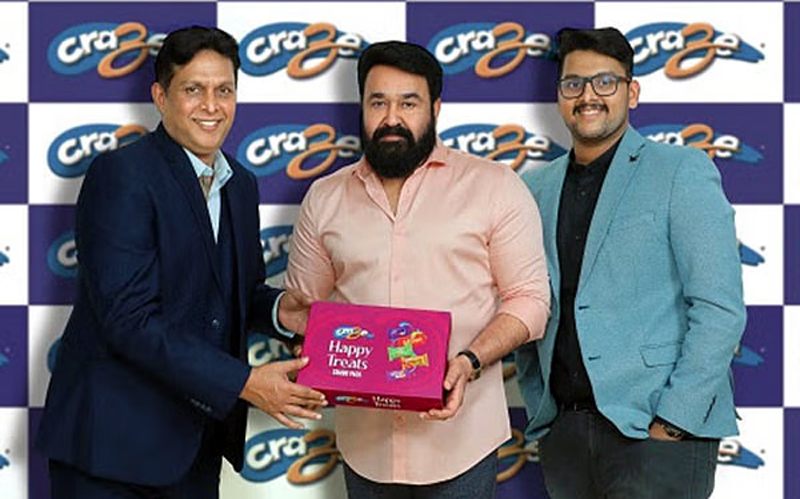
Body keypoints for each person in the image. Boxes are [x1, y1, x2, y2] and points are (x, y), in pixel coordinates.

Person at [36, 26, 326, 498]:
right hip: (111, 451)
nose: (211, 106)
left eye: (224, 90)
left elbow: (234, 292)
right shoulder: (123, 174)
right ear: (160, 97)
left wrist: (281, 313)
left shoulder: (240, 184)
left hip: (196, 445)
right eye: (193, 90)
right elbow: (128, 319)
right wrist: (244, 382)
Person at [285, 41, 550, 498]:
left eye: (408, 103)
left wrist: (468, 362)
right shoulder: (325, 197)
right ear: (361, 108)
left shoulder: (494, 187)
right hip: (366, 446)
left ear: (435, 108)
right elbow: (300, 310)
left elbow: (531, 300)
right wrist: (314, 356)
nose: (392, 118)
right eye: (378, 103)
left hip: (462, 443)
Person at [515, 27, 747, 499]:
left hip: (655, 436)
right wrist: (543, 409)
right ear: (559, 96)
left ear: (631, 92)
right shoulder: (533, 189)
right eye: (573, 84)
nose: (588, 96)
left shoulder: (681, 170)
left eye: (605, 82)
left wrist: (674, 423)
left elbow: (720, 309)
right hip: (565, 437)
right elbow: (526, 299)